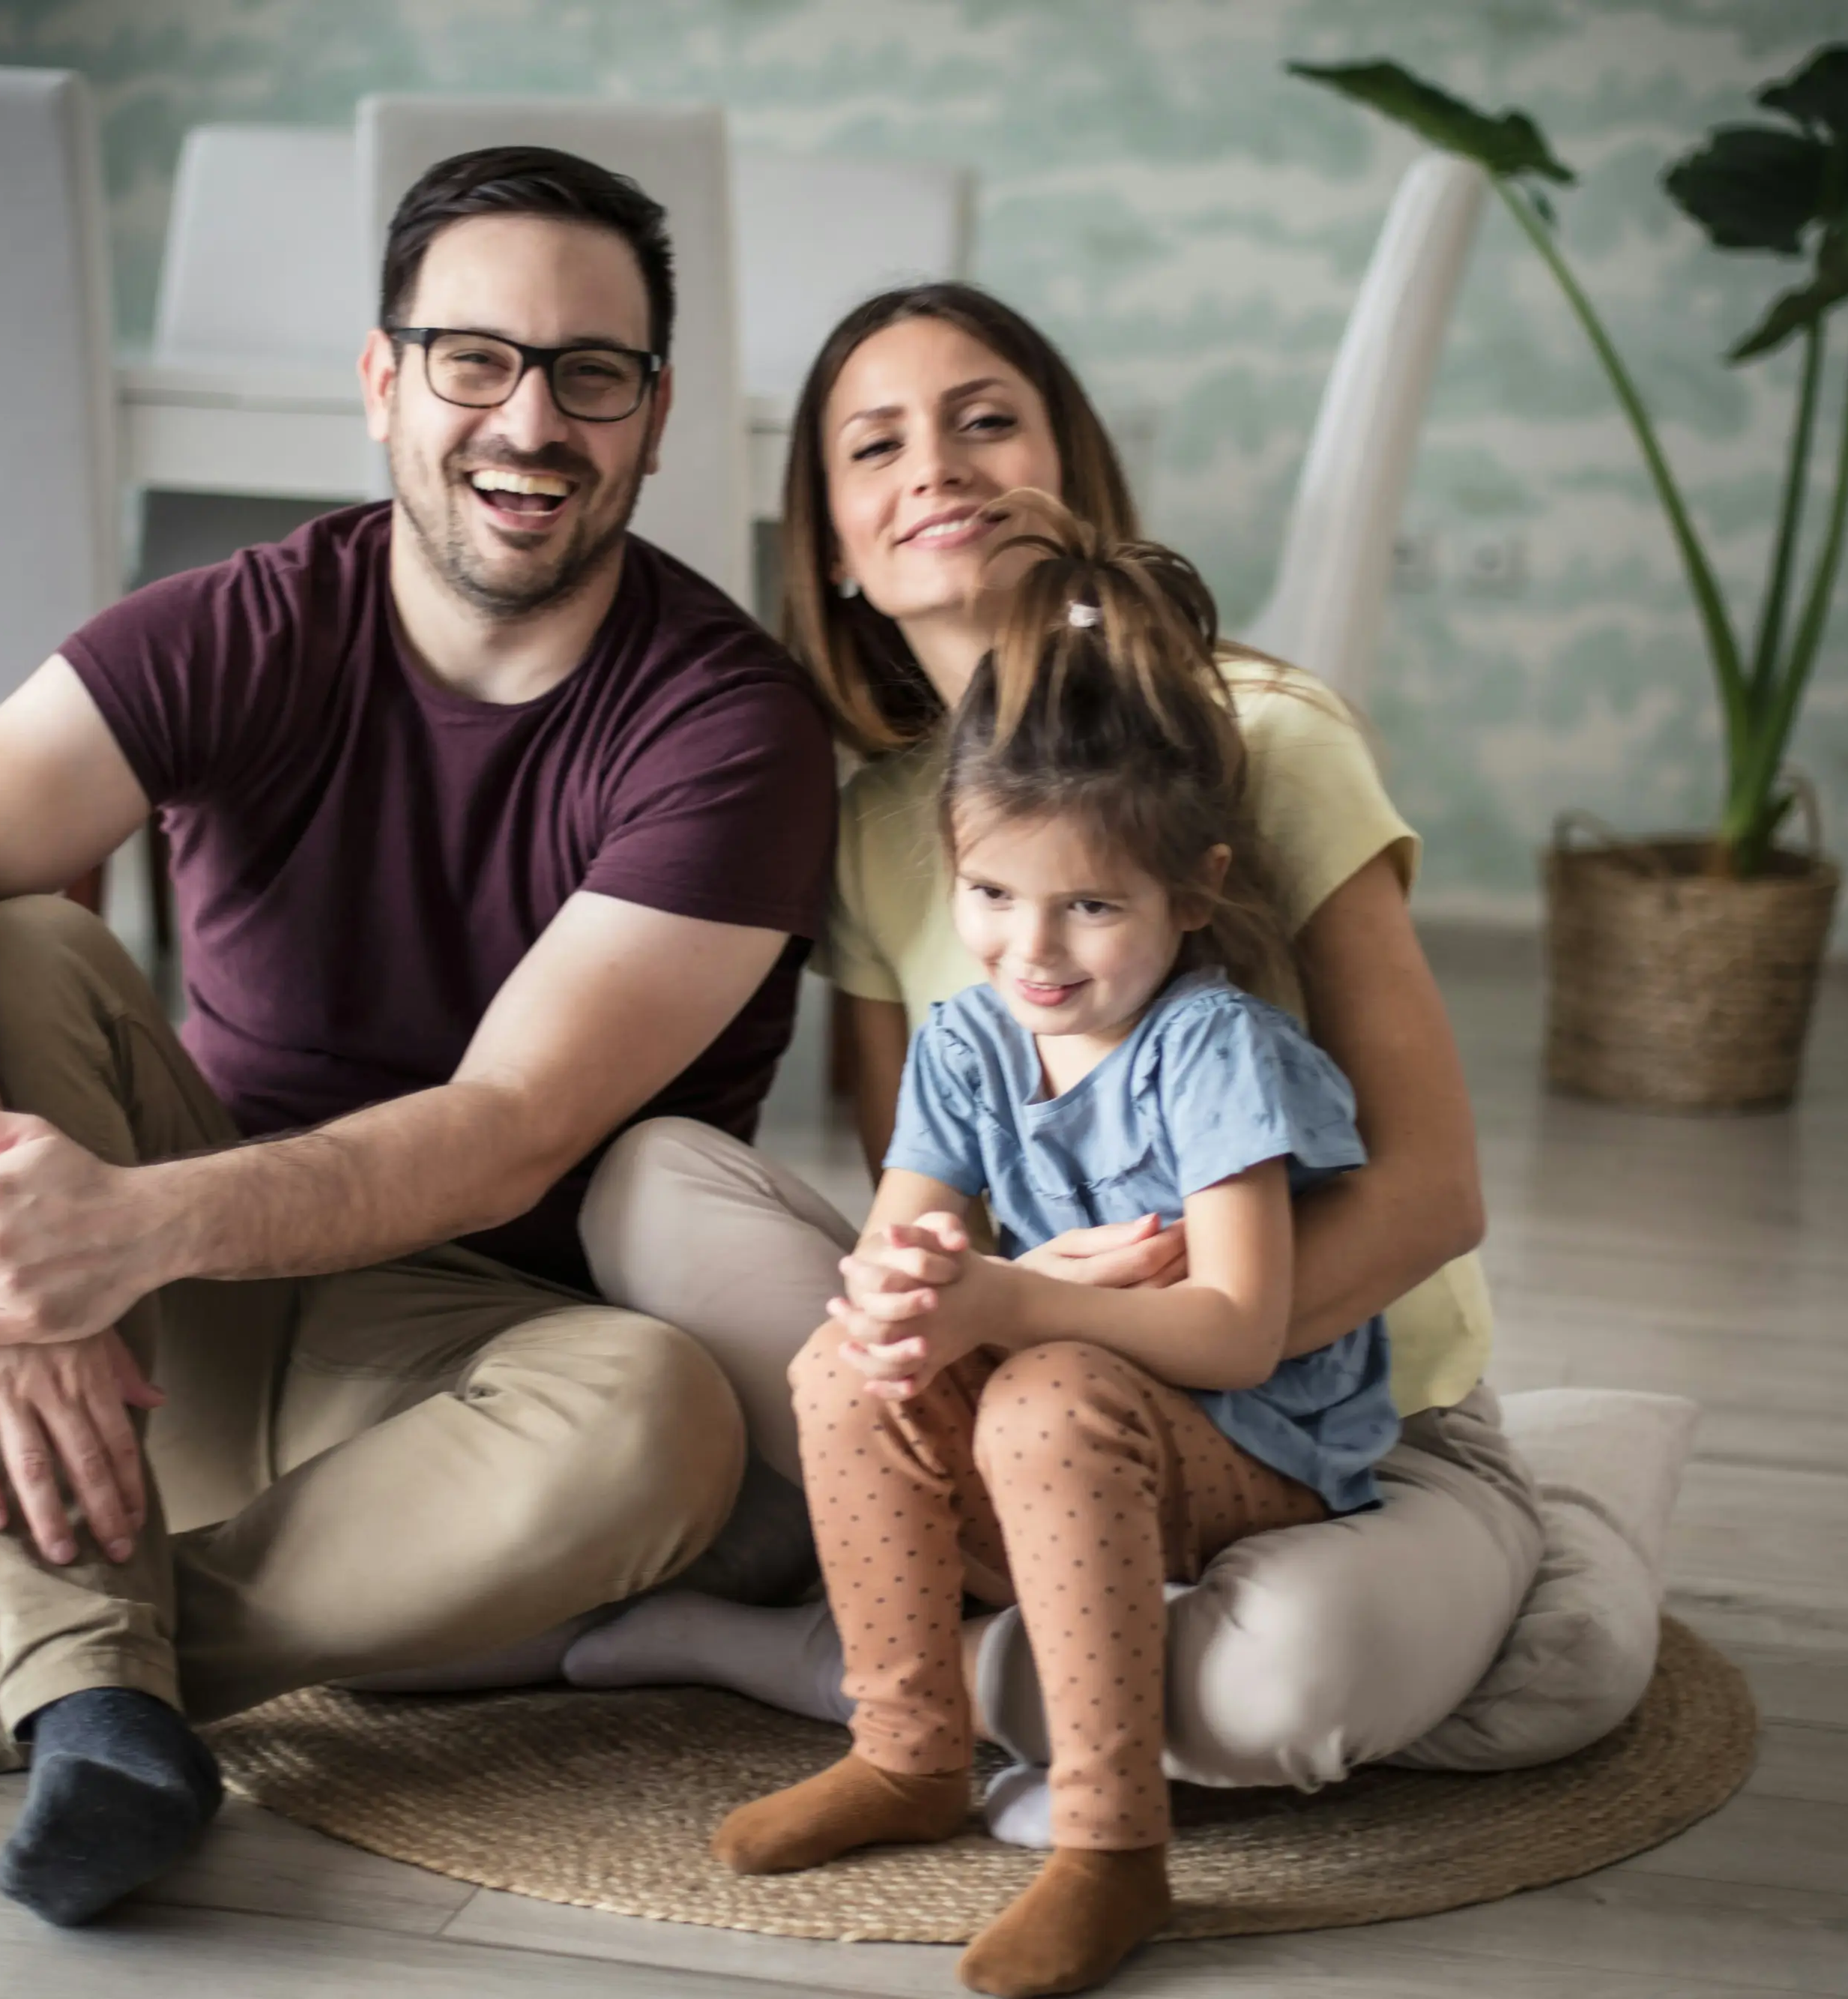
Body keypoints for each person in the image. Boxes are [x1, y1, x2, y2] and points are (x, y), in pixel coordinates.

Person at [0, 145, 837, 1928]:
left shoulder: (726, 728)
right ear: (382, 381)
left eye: (591, 373)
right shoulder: (256, 621)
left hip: (473, 1388)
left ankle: (10, 1667)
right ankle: (95, 1673)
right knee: (9, 941)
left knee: (657, 1416)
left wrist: (122, 1226)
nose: (531, 419)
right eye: (474, 357)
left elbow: (502, 1127)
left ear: (651, 420)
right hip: (166, 1351)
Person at [570, 283, 1543, 1800]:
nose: (933, 468)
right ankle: (971, 1613)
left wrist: (1059, 1319)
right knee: (650, 1184)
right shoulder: (872, 831)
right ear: (832, 543)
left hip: (1330, 1437)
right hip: (1034, 1387)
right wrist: (944, 1307)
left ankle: (820, 1650)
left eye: (982, 422)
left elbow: (1434, 1197)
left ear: (1068, 477)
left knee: (1261, 1705)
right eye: (873, 445)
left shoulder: (1263, 738)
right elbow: (930, 1203)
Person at [714, 501, 1404, 1997]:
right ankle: (906, 1750)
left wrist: (1020, 1298)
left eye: (1089, 905)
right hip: (1089, 1400)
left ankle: (1109, 1847)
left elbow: (1234, 1327)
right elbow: (900, 1253)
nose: (1032, 949)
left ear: (1191, 890)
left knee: (1039, 1394)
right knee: (840, 1367)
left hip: (1254, 1436)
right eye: (989, 896)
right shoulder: (970, 1039)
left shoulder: (1215, 1047)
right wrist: (911, 1301)